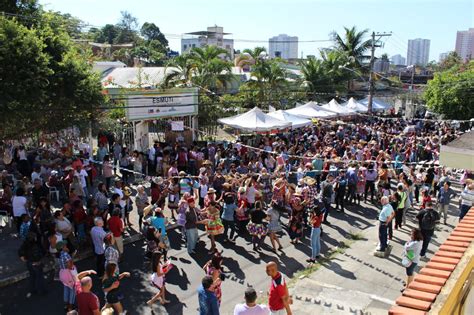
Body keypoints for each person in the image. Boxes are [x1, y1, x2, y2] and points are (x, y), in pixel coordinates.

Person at [18, 232, 47, 297]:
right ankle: (41, 291)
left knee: (32, 277)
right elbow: (43, 252)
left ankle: (32, 290)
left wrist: (25, 259)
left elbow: (20, 252)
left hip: (29, 263)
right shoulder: (36, 245)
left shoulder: (25, 244)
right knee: (39, 277)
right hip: (37, 263)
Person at [401, 228, 423, 292]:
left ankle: (407, 287)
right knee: (411, 272)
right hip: (415, 259)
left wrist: (407, 243)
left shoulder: (414, 243)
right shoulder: (420, 240)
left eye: (412, 234)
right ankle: (409, 283)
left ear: (415, 235)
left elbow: (406, 247)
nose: (411, 235)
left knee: (409, 273)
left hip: (411, 260)